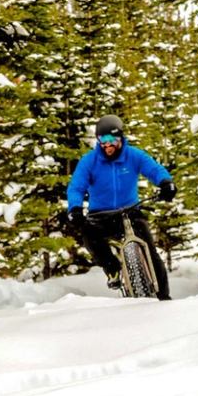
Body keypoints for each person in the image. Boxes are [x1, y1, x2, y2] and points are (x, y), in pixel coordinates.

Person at [64, 114, 174, 300]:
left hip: (131, 212)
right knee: (89, 234)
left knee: (150, 251)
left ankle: (164, 297)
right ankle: (112, 269)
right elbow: (76, 187)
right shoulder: (89, 161)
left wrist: (165, 183)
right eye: (102, 140)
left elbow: (154, 169)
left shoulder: (134, 155)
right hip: (101, 215)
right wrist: (75, 208)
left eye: (112, 140)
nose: (107, 145)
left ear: (120, 138)